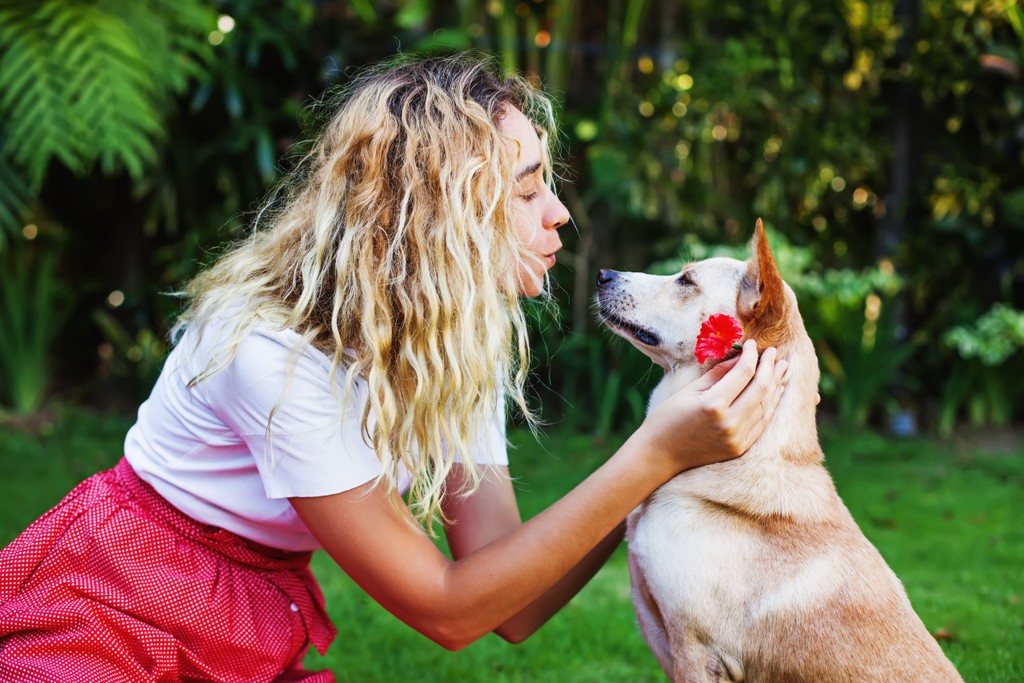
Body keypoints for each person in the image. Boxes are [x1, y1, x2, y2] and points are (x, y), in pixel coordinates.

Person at [0, 53, 787, 682]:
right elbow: (446, 610)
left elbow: (508, 599)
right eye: (526, 188)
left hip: (244, 598)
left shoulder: (453, 334)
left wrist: (663, 460)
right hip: (115, 595)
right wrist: (655, 452)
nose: (559, 213)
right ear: (439, 209)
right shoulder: (268, 349)